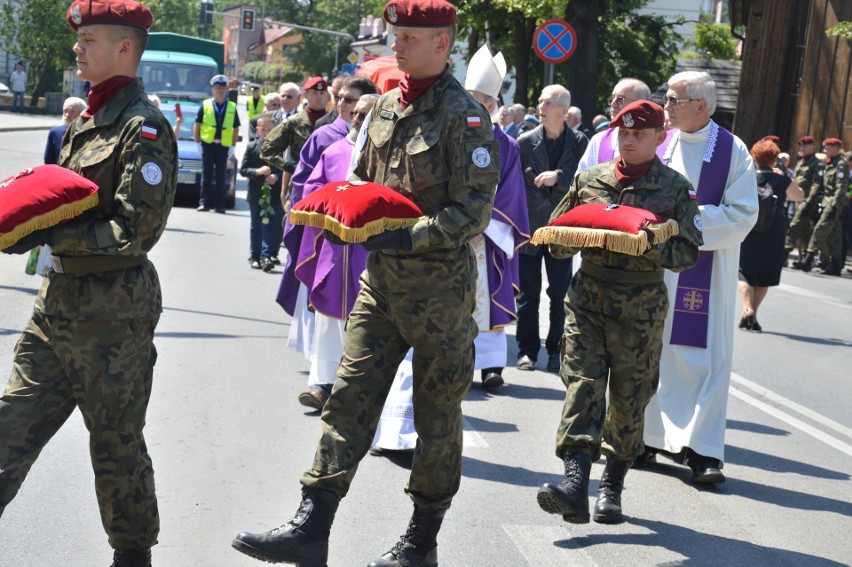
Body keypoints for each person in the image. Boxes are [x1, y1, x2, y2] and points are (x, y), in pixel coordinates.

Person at [231, 1, 498, 565]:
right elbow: (361, 181)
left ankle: (420, 541)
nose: (396, 45)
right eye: (396, 35)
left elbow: (472, 212)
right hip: (381, 287)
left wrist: (408, 237)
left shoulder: (465, 116)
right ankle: (311, 527)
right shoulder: (381, 108)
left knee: (436, 419)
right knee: (347, 401)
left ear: (442, 45)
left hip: (440, 295)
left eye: (408, 37)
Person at [0, 2, 177, 565]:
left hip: (114, 319)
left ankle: (132, 556)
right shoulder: (84, 117)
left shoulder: (143, 127)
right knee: (10, 426)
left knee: (115, 446)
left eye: (89, 38)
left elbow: (135, 231)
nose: (77, 47)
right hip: (55, 309)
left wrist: (51, 238)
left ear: (124, 47)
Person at [536, 100, 702, 526]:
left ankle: (612, 485)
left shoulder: (675, 189)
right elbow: (556, 236)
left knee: (629, 399)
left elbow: (686, 254)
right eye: (622, 133)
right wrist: (576, 237)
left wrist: (650, 241)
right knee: (582, 386)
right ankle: (574, 483)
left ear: (659, 138)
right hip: (587, 300)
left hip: (640, 309)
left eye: (639, 134)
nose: (628, 140)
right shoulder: (590, 180)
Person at [640, 71, 758, 484]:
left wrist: (684, 223)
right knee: (653, 351)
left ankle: (703, 450)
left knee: (706, 358)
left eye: (673, 100)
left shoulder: (732, 151)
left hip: (704, 272)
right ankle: (648, 437)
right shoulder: (661, 141)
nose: (665, 106)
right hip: (656, 269)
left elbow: (743, 214)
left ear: (701, 107)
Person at [279, 75, 378, 398]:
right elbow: (309, 189)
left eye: (365, 114)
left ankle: (359, 386)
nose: (356, 118)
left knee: (369, 316)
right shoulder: (334, 149)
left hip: (371, 248)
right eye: (355, 112)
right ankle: (322, 382)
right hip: (334, 245)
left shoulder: (389, 153)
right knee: (329, 311)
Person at [515, 84, 587, 373]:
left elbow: (586, 178)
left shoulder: (581, 141)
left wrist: (559, 177)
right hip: (530, 227)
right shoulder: (524, 141)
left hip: (562, 228)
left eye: (547, 103)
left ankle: (556, 352)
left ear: (564, 112)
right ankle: (526, 352)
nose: (540, 107)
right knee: (528, 295)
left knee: (559, 294)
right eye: (540, 101)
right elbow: (514, 186)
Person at [738, 139, 803, 331]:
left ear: (754, 156)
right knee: (765, 275)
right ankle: (754, 314)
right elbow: (798, 196)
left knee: (745, 273)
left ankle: (746, 308)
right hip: (775, 229)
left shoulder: (746, 176)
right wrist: (785, 172)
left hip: (749, 228)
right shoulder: (782, 179)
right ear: (775, 158)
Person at [261, 76, 330, 209]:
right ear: (305, 96)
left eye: (322, 93)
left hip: (326, 185)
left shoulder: (334, 122)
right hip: (300, 184)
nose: (319, 97)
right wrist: (291, 167)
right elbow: (267, 150)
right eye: (314, 93)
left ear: (327, 96)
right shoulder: (294, 122)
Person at [577, 78, 663, 173]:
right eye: (612, 98)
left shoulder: (657, 141)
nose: (613, 104)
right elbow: (581, 180)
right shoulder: (598, 140)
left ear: (641, 103)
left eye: (620, 99)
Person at [792, 138, 849, 275]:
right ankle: (836, 266)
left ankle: (808, 259)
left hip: (833, 204)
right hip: (826, 202)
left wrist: (834, 206)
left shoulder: (840, 165)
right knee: (833, 236)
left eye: (827, 147)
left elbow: (841, 189)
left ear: (835, 147)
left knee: (819, 229)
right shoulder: (830, 164)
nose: (824, 150)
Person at [241, 114, 283, 271]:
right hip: (256, 194)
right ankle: (255, 256)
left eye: (269, 129)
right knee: (256, 226)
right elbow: (243, 169)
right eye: (263, 129)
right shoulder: (252, 147)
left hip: (273, 194)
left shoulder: (279, 148)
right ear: (257, 130)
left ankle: (267, 256)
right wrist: (257, 171)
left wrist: (276, 177)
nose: (266, 132)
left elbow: (285, 169)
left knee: (271, 226)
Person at [193, 73, 241, 213]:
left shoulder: (231, 106)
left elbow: (236, 127)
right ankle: (204, 203)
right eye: (218, 87)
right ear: (213, 89)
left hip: (223, 146)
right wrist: (197, 143)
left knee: (221, 177)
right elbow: (197, 124)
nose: (221, 90)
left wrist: (233, 145)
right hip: (208, 144)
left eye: (223, 87)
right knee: (206, 176)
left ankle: (219, 205)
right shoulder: (206, 104)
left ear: (226, 90)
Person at [785, 136, 824, 263]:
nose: (802, 148)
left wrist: (809, 201)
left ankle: (783, 253)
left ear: (812, 146)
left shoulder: (816, 163)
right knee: (804, 229)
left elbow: (816, 184)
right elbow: (796, 180)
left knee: (794, 225)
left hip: (806, 200)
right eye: (801, 146)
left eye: (805, 146)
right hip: (796, 198)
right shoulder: (801, 161)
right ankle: (807, 260)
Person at [44, 96, 86, 165]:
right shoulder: (55, 132)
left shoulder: (88, 132)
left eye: (72, 112)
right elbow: (49, 162)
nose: (67, 115)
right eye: (65, 111)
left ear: (82, 113)